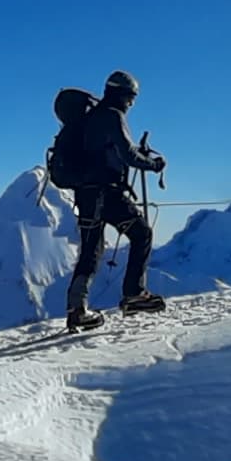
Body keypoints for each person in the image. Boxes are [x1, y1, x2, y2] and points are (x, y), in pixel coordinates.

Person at [51, 70, 168, 331]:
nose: (131, 103)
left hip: (86, 195)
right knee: (141, 234)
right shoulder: (112, 116)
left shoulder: (91, 118)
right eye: (131, 97)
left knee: (91, 250)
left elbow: (110, 150)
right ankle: (134, 293)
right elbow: (127, 155)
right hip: (107, 193)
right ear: (121, 94)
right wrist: (153, 164)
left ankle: (77, 310)